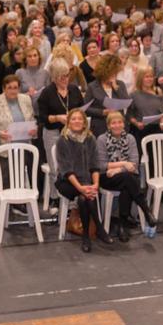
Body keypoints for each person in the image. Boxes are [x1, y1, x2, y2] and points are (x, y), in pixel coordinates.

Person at [55, 108, 114, 252]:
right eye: (73, 119)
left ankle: (86, 236)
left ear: (84, 122)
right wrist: (81, 188)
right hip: (67, 181)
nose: (77, 121)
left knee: (84, 198)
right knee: (85, 194)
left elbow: (95, 165)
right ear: (68, 122)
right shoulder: (62, 140)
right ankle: (99, 229)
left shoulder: (90, 138)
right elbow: (66, 169)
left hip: (87, 180)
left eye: (80, 119)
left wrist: (95, 185)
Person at [95, 112, 158, 240]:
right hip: (106, 177)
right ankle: (145, 210)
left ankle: (122, 225)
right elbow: (101, 165)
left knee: (126, 184)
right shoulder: (101, 139)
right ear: (108, 126)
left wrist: (117, 169)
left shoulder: (130, 138)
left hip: (122, 174)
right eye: (113, 123)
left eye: (120, 122)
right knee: (129, 180)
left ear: (124, 124)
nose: (117, 125)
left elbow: (134, 163)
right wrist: (124, 163)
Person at [0, 75, 37, 156]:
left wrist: (34, 130)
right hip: (4, 147)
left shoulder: (26, 99)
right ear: (4, 89)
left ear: (19, 89)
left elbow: (32, 119)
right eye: (9, 88)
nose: (13, 91)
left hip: (25, 146)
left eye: (15, 88)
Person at [84, 53, 131, 136]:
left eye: (116, 72)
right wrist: (102, 112)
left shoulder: (120, 84)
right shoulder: (92, 86)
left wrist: (116, 88)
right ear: (104, 71)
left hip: (119, 126)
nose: (115, 74)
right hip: (100, 126)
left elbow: (126, 102)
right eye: (112, 72)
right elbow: (86, 108)